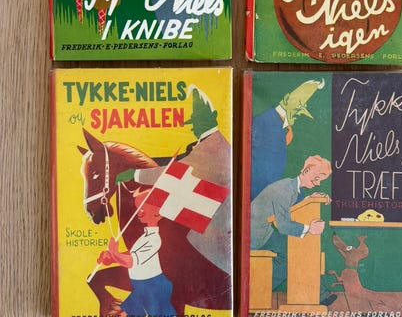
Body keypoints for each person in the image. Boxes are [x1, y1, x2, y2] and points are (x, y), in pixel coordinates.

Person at [116, 85, 232, 311]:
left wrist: (135, 174)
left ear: (212, 117)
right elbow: (176, 163)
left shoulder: (214, 146)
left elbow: (177, 170)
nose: (194, 126)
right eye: (193, 121)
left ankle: (184, 291)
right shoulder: (203, 143)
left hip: (216, 231)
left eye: (197, 120)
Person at [250, 155, 335, 304]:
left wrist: (309, 199)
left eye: (321, 180)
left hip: (264, 231)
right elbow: (283, 225)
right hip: (256, 235)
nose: (318, 183)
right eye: (317, 178)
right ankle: (257, 292)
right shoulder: (284, 189)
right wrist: (309, 228)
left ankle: (319, 294)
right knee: (296, 251)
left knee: (297, 250)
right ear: (306, 170)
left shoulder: (293, 187)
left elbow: (289, 209)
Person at [97, 188, 175, 317]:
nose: (138, 212)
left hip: (153, 287)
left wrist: (115, 253)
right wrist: (111, 258)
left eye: (143, 209)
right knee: (125, 314)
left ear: (157, 213)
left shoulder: (154, 239)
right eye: (138, 208)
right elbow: (131, 255)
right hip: (142, 286)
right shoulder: (145, 236)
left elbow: (131, 261)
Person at [250, 79, 325, 199]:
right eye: (299, 106)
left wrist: (305, 200)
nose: (299, 112)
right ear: (286, 99)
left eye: (303, 108)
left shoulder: (282, 130)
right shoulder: (263, 122)